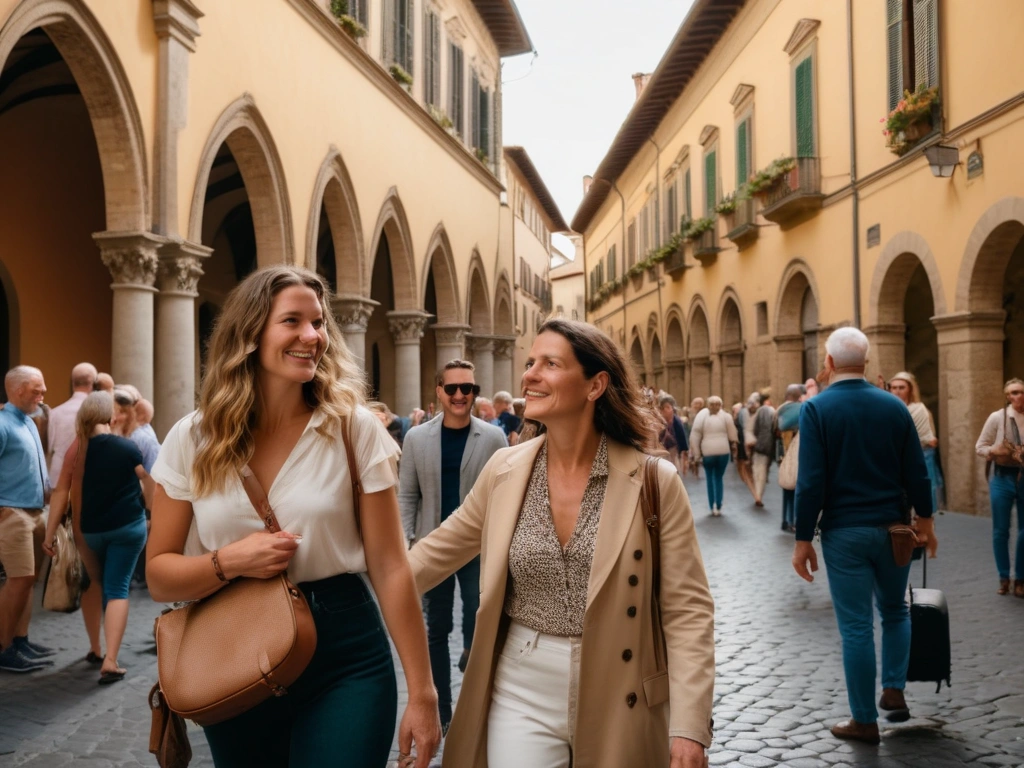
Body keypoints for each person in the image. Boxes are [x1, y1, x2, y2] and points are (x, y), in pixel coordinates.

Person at [146, 266, 440, 767]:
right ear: (251, 332)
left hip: (345, 653)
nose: (313, 337)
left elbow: (390, 566)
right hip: (233, 646)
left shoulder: (352, 429)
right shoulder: (192, 438)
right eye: (293, 322)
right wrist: (230, 561)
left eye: (319, 323)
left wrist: (424, 691)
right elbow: (159, 574)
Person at [407, 318, 714, 768]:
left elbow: (687, 610)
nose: (529, 374)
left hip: (620, 684)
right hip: (520, 685)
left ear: (595, 386)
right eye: (530, 362)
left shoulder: (653, 480)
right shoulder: (505, 471)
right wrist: (345, 568)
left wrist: (689, 727)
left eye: (549, 363)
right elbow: (428, 558)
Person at [792, 327, 937, 745]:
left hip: (844, 532)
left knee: (856, 626)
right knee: (895, 610)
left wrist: (803, 540)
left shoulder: (817, 409)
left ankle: (863, 720)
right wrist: (924, 520)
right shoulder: (895, 407)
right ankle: (893, 689)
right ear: (867, 362)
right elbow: (917, 470)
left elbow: (811, 482)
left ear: (830, 363)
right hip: (894, 529)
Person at [399, 360, 507, 733]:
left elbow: (504, 495)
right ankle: (442, 710)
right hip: (433, 545)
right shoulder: (416, 439)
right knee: (435, 628)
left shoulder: (493, 438)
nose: (461, 396)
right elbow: (407, 495)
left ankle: (476, 706)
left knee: (481, 619)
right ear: (438, 391)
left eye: (469, 389)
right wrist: (405, 542)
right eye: (453, 389)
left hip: (478, 547)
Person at [51, 392, 153, 683]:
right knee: (118, 588)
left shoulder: (77, 449)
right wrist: (153, 515)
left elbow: (61, 492)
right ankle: (110, 659)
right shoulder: (127, 447)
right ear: (110, 416)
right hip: (127, 527)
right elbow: (147, 482)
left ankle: (95, 648)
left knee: (93, 585)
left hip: (90, 531)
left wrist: (50, 534)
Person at [0, 366, 53, 673]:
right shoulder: (3, 423)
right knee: (18, 580)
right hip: (12, 514)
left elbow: (38, 464)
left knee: (27, 581)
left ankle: (20, 640)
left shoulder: (30, 422)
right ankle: (4, 647)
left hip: (34, 511)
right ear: (18, 390)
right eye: (37, 390)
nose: (43, 395)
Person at [975, 377, 1024, 597]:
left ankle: (1020, 578)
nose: (1018, 396)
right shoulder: (998, 417)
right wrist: (993, 451)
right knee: (1001, 530)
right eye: (1014, 393)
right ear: (1007, 396)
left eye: (1021, 392)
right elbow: (980, 447)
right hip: (1003, 476)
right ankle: (1004, 577)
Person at [889, 372, 943, 513]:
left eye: (901, 387)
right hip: (896, 458)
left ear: (910, 389)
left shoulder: (919, 409)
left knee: (923, 503)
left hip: (921, 455)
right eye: (894, 387)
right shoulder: (887, 408)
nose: (897, 391)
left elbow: (929, 439)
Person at [47, 363, 98, 488]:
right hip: (88, 477)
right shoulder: (98, 413)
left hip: (58, 477)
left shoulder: (55, 413)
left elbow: (48, 449)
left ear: (73, 382)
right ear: (93, 383)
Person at [689, 396, 738, 516]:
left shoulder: (702, 415)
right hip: (723, 451)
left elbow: (695, 435)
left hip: (708, 453)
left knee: (710, 478)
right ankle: (719, 505)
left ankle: (712, 506)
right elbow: (733, 435)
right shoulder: (726, 416)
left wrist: (697, 454)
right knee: (718, 478)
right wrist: (735, 447)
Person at [775, 384, 804, 533]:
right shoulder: (800, 408)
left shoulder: (779, 409)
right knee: (794, 487)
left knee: (786, 488)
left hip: (781, 451)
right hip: (795, 451)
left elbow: (775, 430)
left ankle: (785, 520)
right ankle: (792, 521)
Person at [750, 389, 776, 508]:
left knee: (757, 470)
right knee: (764, 470)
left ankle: (758, 495)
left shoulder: (759, 412)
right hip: (769, 445)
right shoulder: (773, 411)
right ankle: (760, 494)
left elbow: (755, 429)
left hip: (760, 444)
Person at [736, 394, 759, 500]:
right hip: (750, 442)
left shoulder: (744, 413)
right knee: (749, 468)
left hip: (747, 443)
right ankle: (755, 493)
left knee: (748, 467)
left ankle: (755, 493)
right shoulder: (750, 414)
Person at [659, 394, 689, 474]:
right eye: (665, 407)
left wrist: (685, 458)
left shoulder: (676, 421)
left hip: (673, 451)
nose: (667, 410)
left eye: (669, 407)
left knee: (672, 471)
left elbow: (682, 439)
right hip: (660, 451)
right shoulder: (657, 420)